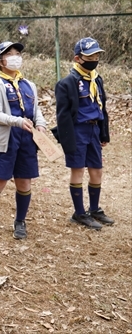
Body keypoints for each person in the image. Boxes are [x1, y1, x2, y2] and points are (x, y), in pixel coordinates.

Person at [0, 41, 47, 240]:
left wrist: (40, 124)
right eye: (10, 54)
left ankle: (20, 221)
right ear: (0, 61)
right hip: (5, 138)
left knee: (24, 182)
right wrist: (17, 122)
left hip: (27, 138)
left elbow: (36, 110)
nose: (15, 57)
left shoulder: (29, 85)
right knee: (0, 181)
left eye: (18, 53)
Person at [54, 37, 113, 230]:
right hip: (77, 131)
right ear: (78, 58)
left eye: (97, 55)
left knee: (97, 171)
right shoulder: (67, 83)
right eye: (90, 55)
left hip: (93, 130)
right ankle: (79, 213)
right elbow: (63, 117)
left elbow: (102, 108)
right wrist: (67, 142)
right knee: (77, 170)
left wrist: (104, 133)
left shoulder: (96, 79)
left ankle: (94, 209)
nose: (95, 58)